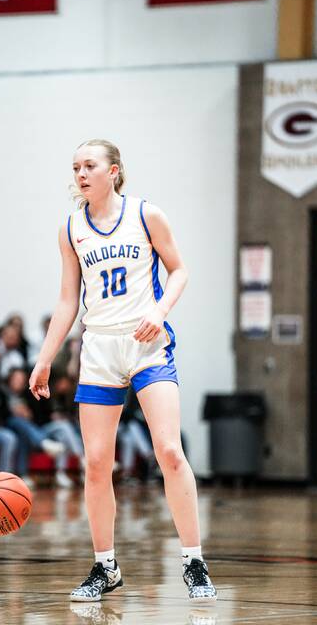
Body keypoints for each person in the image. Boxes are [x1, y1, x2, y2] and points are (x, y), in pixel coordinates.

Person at [29, 139, 217, 603]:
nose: (81, 174)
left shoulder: (146, 215)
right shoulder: (71, 229)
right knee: (96, 463)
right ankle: (104, 566)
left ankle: (193, 560)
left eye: (89, 165)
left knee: (170, 451)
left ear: (114, 170)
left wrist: (161, 310)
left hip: (147, 344)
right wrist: (45, 357)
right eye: (75, 167)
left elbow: (179, 271)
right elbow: (68, 299)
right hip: (99, 349)